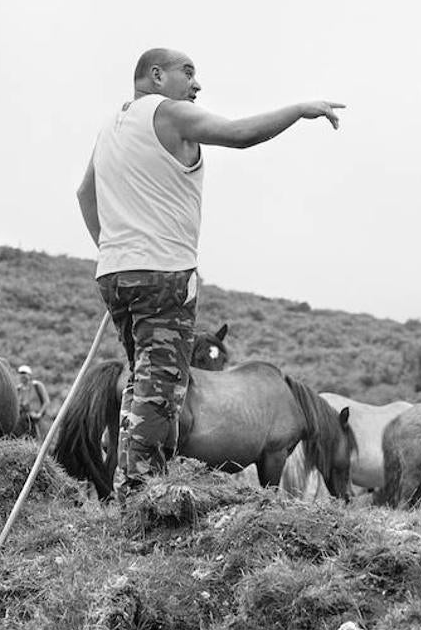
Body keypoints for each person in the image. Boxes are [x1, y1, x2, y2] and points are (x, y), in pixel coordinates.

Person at [76, 47, 343, 495]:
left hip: (116, 275)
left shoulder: (111, 127)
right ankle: (143, 497)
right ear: (155, 76)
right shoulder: (170, 114)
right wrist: (299, 110)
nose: (196, 84)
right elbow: (240, 134)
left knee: (142, 380)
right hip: (163, 273)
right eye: (188, 72)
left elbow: (86, 193)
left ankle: (131, 484)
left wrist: (113, 249)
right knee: (161, 388)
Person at [16, 365, 49, 438]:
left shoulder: (37, 385)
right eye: (21, 374)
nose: (22, 375)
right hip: (23, 421)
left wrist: (39, 414)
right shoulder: (18, 389)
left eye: (24, 373)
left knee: (39, 438)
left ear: (29, 375)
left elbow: (46, 401)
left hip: (36, 419)